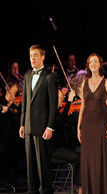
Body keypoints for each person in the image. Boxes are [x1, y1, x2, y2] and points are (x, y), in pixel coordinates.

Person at [20, 45, 58, 194]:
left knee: (43, 165)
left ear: (42, 57)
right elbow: (24, 102)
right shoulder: (27, 76)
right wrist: (22, 123)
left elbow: (53, 105)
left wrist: (50, 127)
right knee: (30, 166)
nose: (32, 58)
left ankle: (46, 191)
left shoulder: (50, 77)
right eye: (30, 56)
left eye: (35, 55)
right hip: (29, 126)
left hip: (42, 128)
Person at [77, 53, 107, 193]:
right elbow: (82, 106)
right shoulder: (84, 83)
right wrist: (78, 127)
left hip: (101, 123)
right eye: (90, 62)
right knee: (87, 159)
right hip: (87, 125)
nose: (92, 64)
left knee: (100, 159)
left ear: (100, 64)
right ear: (88, 65)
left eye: (95, 61)